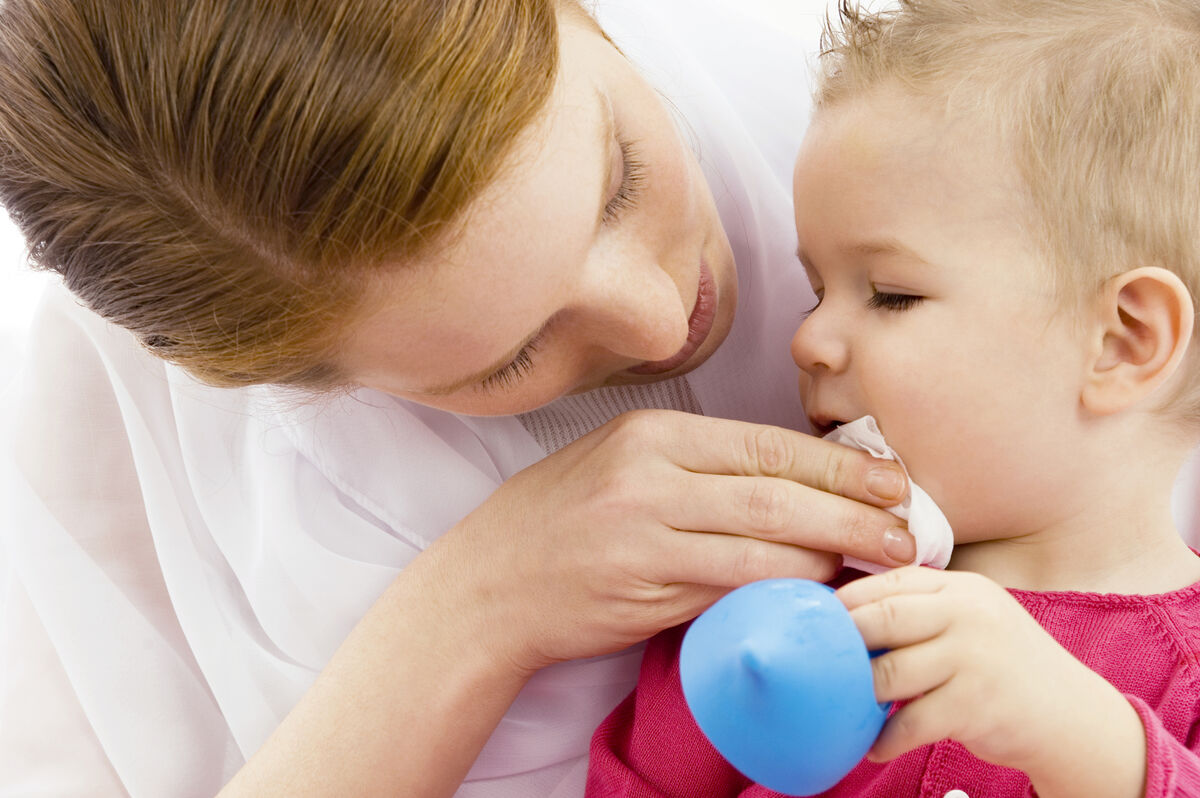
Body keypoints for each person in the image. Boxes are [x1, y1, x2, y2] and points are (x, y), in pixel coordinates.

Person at [0, 1, 929, 795]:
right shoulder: (304, 502)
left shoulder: (853, 72)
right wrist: (477, 605)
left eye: (619, 182)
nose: (659, 323)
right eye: (511, 357)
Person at [587, 0, 1200, 795]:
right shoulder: (771, 613)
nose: (809, 342)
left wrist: (1094, 747)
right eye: (815, 292)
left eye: (889, 294)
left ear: (1123, 341)